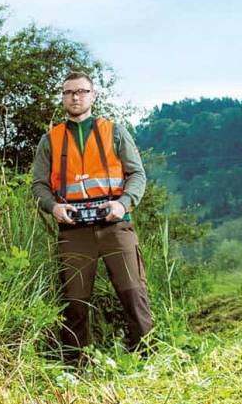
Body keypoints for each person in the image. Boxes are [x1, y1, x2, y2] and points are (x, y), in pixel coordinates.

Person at [30, 71, 154, 357]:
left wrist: (122, 204)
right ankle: (75, 365)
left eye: (82, 91)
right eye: (70, 92)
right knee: (74, 301)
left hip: (115, 224)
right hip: (73, 230)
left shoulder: (115, 131)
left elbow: (137, 174)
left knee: (133, 292)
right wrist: (54, 207)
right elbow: (39, 184)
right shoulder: (51, 139)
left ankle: (147, 357)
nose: (76, 97)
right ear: (63, 97)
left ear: (93, 96)